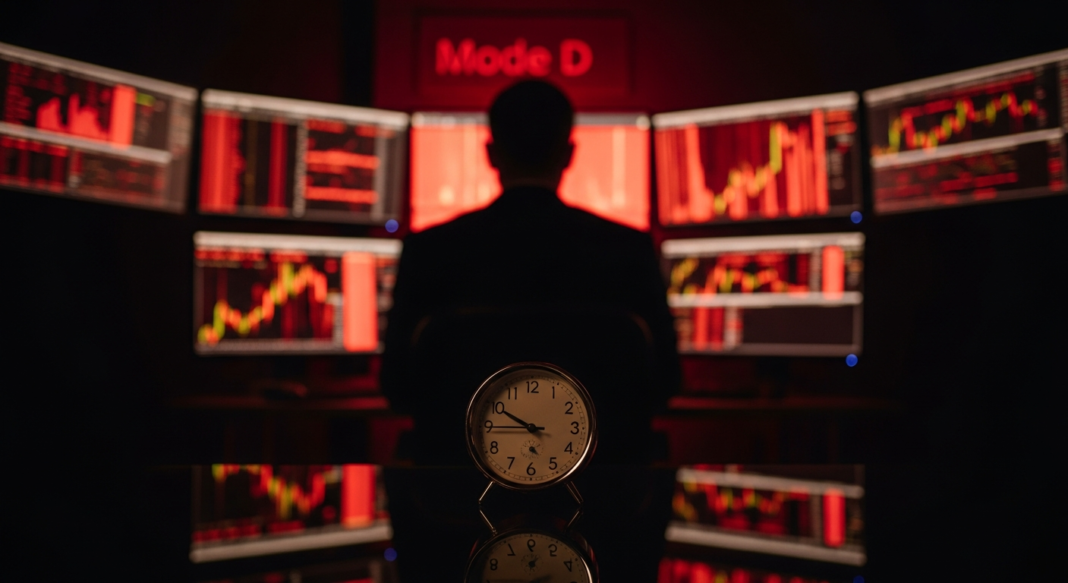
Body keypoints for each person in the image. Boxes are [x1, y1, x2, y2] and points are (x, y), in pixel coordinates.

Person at [380, 80, 680, 464]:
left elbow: (398, 389)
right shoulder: (628, 250)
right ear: (570, 154)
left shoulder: (430, 250)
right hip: (604, 497)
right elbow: (664, 385)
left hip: (458, 494)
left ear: (490, 154)